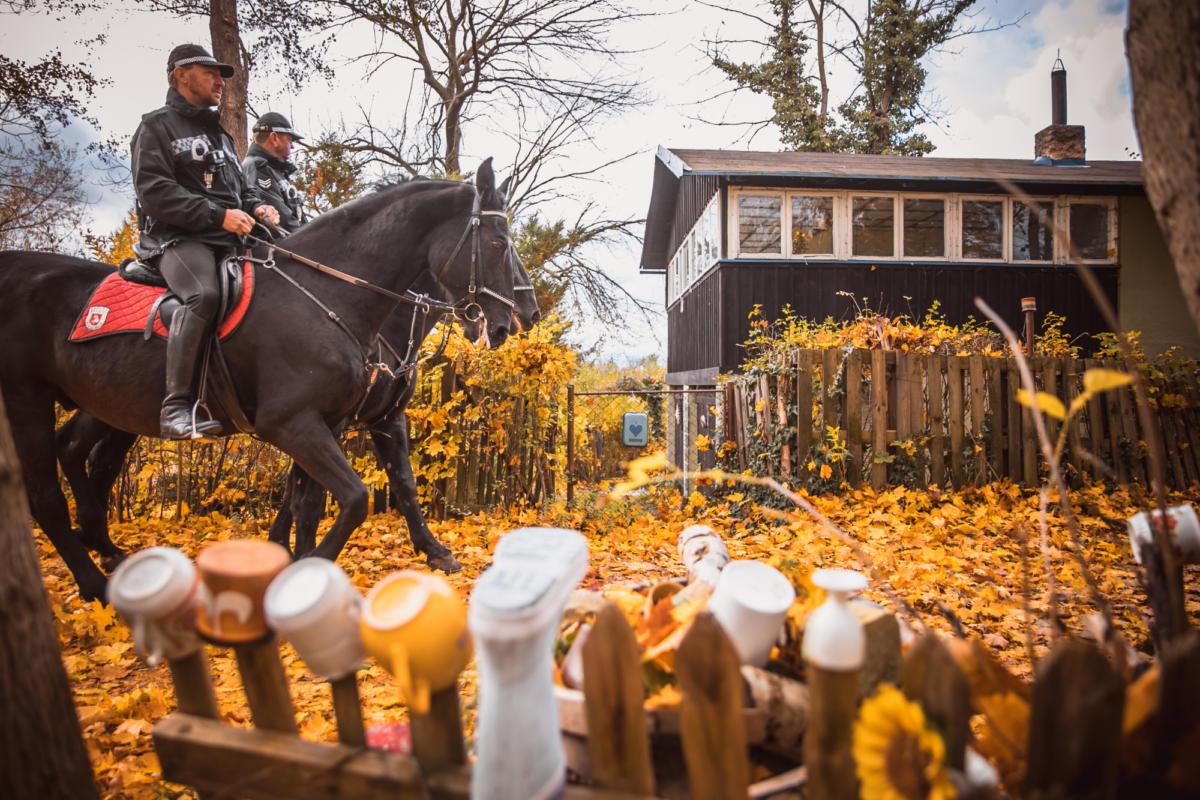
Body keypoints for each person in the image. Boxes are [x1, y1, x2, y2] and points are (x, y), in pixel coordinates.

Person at [130, 44, 280, 439]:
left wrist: (258, 208)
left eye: (222, 75)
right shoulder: (156, 127)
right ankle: (176, 408)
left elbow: (238, 193)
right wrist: (218, 216)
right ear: (179, 73)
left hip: (229, 239)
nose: (219, 81)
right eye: (210, 72)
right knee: (203, 296)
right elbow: (154, 192)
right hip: (176, 240)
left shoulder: (222, 136)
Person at [242, 112, 308, 233]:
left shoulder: (275, 170)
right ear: (274, 138)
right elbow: (282, 221)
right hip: (277, 249)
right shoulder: (257, 167)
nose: (292, 146)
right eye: (289, 139)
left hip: (293, 245)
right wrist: (312, 243)